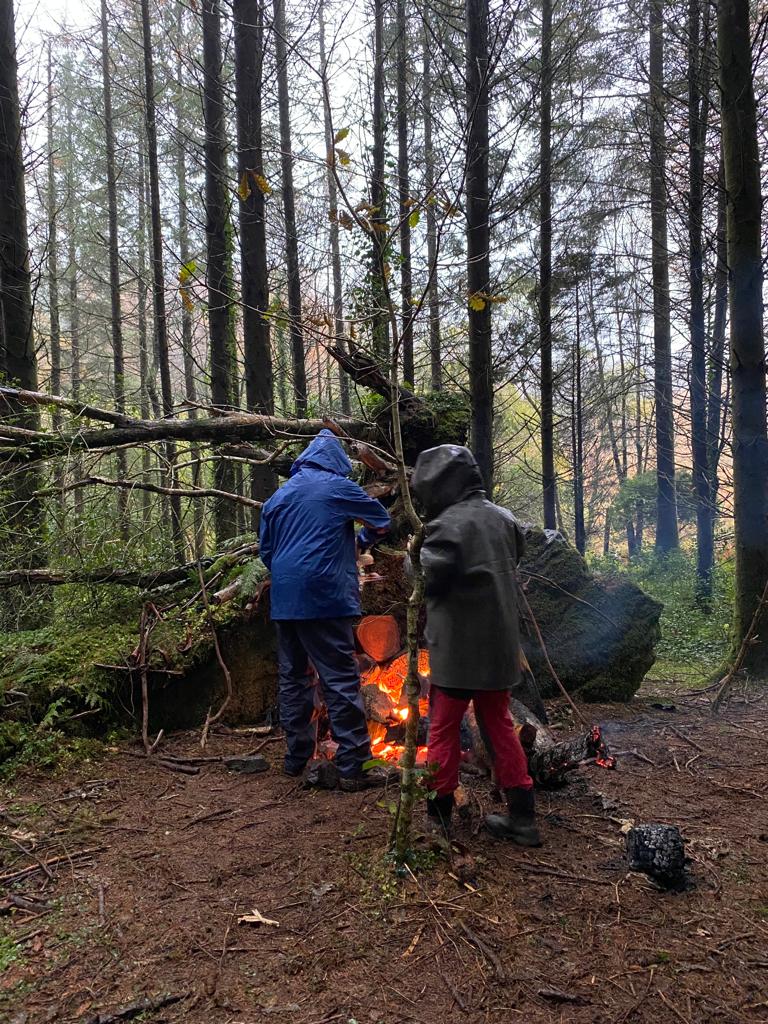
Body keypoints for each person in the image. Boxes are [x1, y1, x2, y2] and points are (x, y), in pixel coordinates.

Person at [410, 444, 541, 846]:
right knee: (499, 725)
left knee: (443, 730)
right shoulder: (505, 520)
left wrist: (410, 554)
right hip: (499, 648)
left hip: (456, 651)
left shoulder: (444, 527)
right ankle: (523, 818)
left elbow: (425, 581)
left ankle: (439, 819)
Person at [259, 430, 391, 791]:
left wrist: (291, 577)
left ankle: (295, 758)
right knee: (340, 677)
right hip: (326, 597)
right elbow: (382, 521)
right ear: (337, 464)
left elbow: (266, 554)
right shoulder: (338, 488)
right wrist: (358, 543)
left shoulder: (278, 497)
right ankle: (354, 766)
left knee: (294, 678)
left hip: (286, 600)